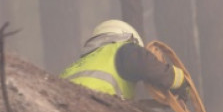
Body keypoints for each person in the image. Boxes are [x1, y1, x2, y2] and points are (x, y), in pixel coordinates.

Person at [60, 19, 189, 101]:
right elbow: (144, 64)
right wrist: (178, 80)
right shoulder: (123, 49)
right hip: (96, 106)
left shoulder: (75, 66)